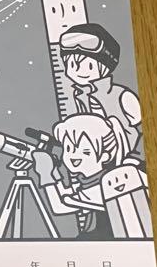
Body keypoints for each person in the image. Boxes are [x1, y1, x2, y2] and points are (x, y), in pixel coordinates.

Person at [31, 111, 144, 239]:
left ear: (105, 156)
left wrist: (46, 173)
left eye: (85, 151)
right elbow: (65, 194)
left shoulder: (108, 183)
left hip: (107, 241)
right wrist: (52, 170)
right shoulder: (87, 181)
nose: (73, 156)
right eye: (68, 149)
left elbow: (60, 206)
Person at [59, 22, 141, 155]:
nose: (79, 71)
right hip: (91, 153)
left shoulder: (121, 96)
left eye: (89, 66)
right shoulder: (80, 95)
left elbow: (136, 120)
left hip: (121, 152)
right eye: (72, 65)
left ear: (106, 67)